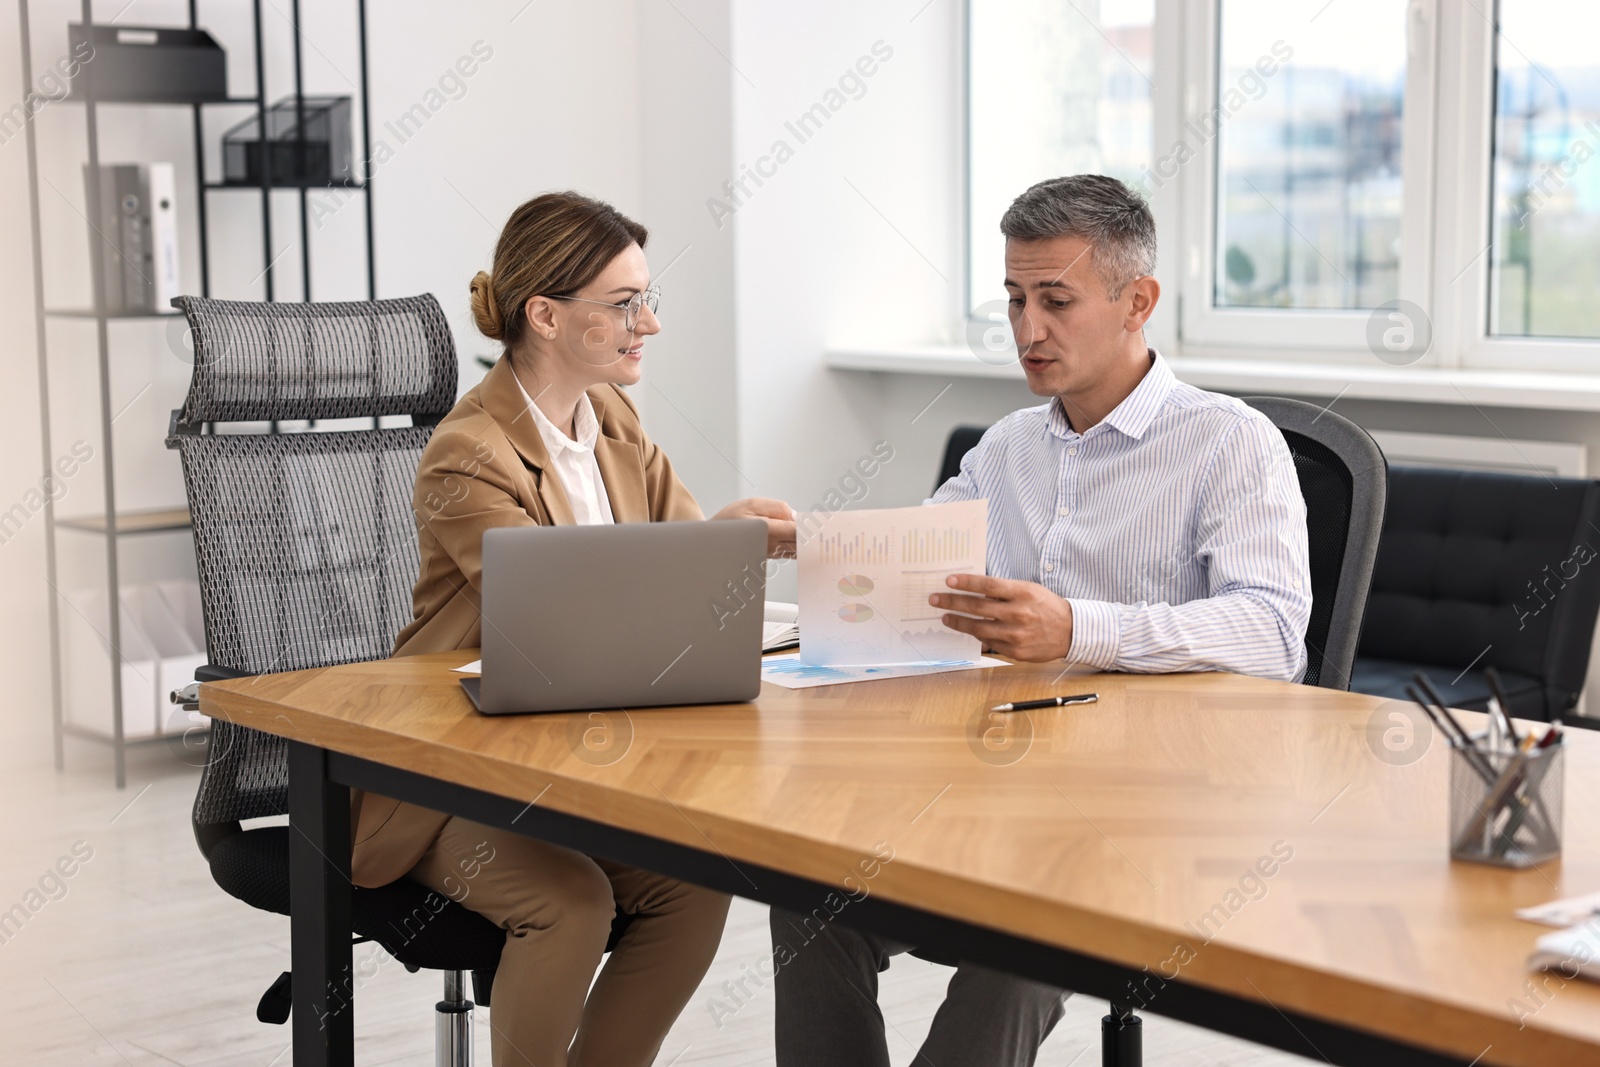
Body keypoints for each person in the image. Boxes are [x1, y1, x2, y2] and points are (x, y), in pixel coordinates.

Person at [768, 174, 1311, 1066]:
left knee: (1022, 953)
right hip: (992, 780)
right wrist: (809, 543)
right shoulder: (1008, 448)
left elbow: (1274, 636)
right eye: (1016, 299)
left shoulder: (1230, 442)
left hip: (1147, 807)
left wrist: (1079, 629)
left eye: (1056, 301)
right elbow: (922, 573)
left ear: (1139, 302)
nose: (1028, 330)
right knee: (808, 895)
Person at [351, 190, 797, 1067]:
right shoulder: (467, 452)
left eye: (648, 298)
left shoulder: (615, 422)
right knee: (571, 902)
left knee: (693, 886)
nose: (650, 324)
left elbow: (678, 587)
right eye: (625, 304)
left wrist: (735, 543)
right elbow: (558, 618)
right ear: (545, 315)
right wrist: (710, 547)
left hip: (571, 762)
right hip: (448, 772)